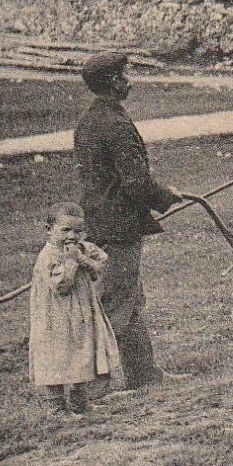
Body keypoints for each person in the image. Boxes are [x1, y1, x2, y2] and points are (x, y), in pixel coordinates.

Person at [73, 51, 186, 391]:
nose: (132, 80)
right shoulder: (117, 126)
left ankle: (144, 376)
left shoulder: (90, 120)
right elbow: (135, 183)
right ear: (114, 81)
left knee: (131, 300)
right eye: (127, 74)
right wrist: (166, 195)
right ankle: (90, 387)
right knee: (118, 306)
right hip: (117, 227)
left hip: (99, 222)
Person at [29, 202, 121, 415]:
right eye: (65, 230)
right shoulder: (49, 255)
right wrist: (72, 262)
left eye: (78, 231)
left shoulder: (79, 248)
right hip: (55, 317)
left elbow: (100, 266)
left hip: (78, 313)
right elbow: (61, 286)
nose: (72, 235)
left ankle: (80, 404)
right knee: (57, 356)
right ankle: (57, 409)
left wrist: (85, 258)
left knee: (81, 353)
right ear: (49, 230)